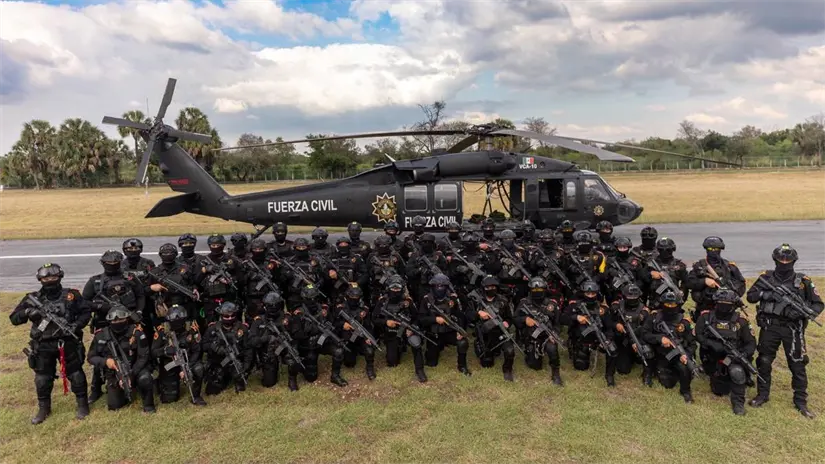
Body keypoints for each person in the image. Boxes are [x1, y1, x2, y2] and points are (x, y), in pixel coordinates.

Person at [746, 244, 823, 418]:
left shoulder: (803, 281)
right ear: (775, 260)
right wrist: (766, 295)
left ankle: (800, 402)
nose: (784, 262)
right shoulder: (766, 277)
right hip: (770, 327)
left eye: (788, 260)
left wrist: (804, 312)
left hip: (793, 329)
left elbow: (818, 304)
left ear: (794, 261)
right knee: (764, 361)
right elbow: (751, 296)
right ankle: (762, 395)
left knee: (797, 364)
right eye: (781, 259)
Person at [9, 263, 91, 424]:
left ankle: (82, 405)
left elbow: (86, 311)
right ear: (40, 279)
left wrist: (76, 325)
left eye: (53, 277)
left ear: (60, 277)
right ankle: (44, 408)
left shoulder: (71, 295)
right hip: (43, 344)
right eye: (46, 278)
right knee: (42, 377)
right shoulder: (32, 298)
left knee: (75, 374)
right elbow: (14, 318)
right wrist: (27, 312)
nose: (50, 280)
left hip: (67, 342)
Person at [695, 289, 755, 415]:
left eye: (727, 304)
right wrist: (712, 344)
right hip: (713, 357)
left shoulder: (740, 321)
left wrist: (743, 354)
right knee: (719, 391)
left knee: (737, 372)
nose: (723, 306)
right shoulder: (706, 317)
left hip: (732, 358)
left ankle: (738, 403)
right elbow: (698, 335)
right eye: (720, 303)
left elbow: (751, 343)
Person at [86, 305, 155, 413]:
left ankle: (149, 406)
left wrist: (130, 375)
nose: (117, 322)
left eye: (121, 319)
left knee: (145, 379)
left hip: (136, 368)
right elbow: (91, 357)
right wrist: (106, 362)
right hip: (114, 372)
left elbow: (144, 356)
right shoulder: (101, 335)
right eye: (114, 320)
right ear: (109, 321)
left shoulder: (136, 333)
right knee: (114, 406)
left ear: (127, 319)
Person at [642, 291, 697, 403]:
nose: (670, 307)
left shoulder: (684, 321)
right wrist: (660, 338)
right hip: (659, 353)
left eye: (673, 305)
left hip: (677, 354)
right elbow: (644, 333)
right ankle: (648, 372)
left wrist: (687, 355)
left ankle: (685, 391)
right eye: (667, 305)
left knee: (685, 368)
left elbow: (692, 343)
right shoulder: (654, 317)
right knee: (667, 384)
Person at [151, 304, 207, 406]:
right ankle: (159, 383)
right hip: (170, 363)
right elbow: (153, 352)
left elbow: (197, 350)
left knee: (199, 369)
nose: (177, 321)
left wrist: (188, 366)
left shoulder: (191, 328)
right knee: (169, 399)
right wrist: (165, 350)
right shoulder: (162, 330)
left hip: (189, 360)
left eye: (180, 318)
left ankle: (196, 395)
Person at [514, 277, 563, 385]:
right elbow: (515, 319)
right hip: (531, 337)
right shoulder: (524, 303)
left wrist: (554, 334)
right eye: (535, 290)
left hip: (547, 336)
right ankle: (531, 353)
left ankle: (556, 374)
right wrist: (525, 319)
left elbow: (558, 323)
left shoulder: (551, 304)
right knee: (535, 366)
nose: (537, 292)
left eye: (540, 289)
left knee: (552, 349)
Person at [686, 236, 745, 320]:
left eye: (716, 249)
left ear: (720, 249)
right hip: (705, 308)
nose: (713, 251)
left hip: (726, 309)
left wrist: (731, 294)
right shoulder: (699, 266)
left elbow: (741, 283)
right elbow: (689, 282)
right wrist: (704, 281)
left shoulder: (729, 266)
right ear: (706, 249)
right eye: (710, 248)